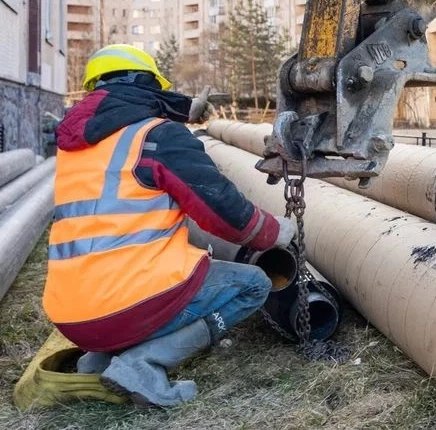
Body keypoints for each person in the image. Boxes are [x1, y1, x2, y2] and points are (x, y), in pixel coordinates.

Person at [41, 44, 297, 407]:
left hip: (70, 316)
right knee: (252, 284)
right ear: (149, 85)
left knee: (136, 287)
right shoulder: (156, 136)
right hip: (128, 306)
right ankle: (142, 364)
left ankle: (99, 358)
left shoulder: (74, 148)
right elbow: (221, 209)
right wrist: (273, 232)